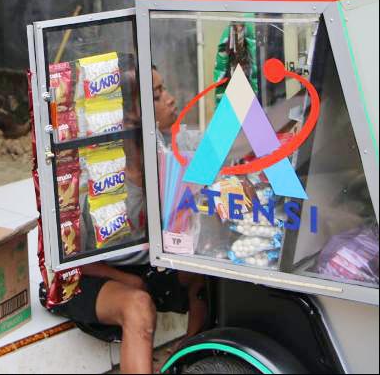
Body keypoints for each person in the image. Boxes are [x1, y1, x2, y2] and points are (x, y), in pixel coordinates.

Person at [47, 65, 206, 374]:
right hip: (87, 277)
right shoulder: (104, 179)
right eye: (158, 95)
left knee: (212, 275)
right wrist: (130, 280)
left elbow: (227, 143)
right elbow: (73, 259)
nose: (172, 100)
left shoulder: (169, 151)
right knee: (138, 308)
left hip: (143, 267)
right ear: (133, 117)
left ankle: (188, 359)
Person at [213, 21, 258, 104]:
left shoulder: (249, 37)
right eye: (237, 28)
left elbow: (254, 66)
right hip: (230, 80)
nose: (239, 30)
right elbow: (220, 67)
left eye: (241, 28)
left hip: (247, 81)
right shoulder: (228, 36)